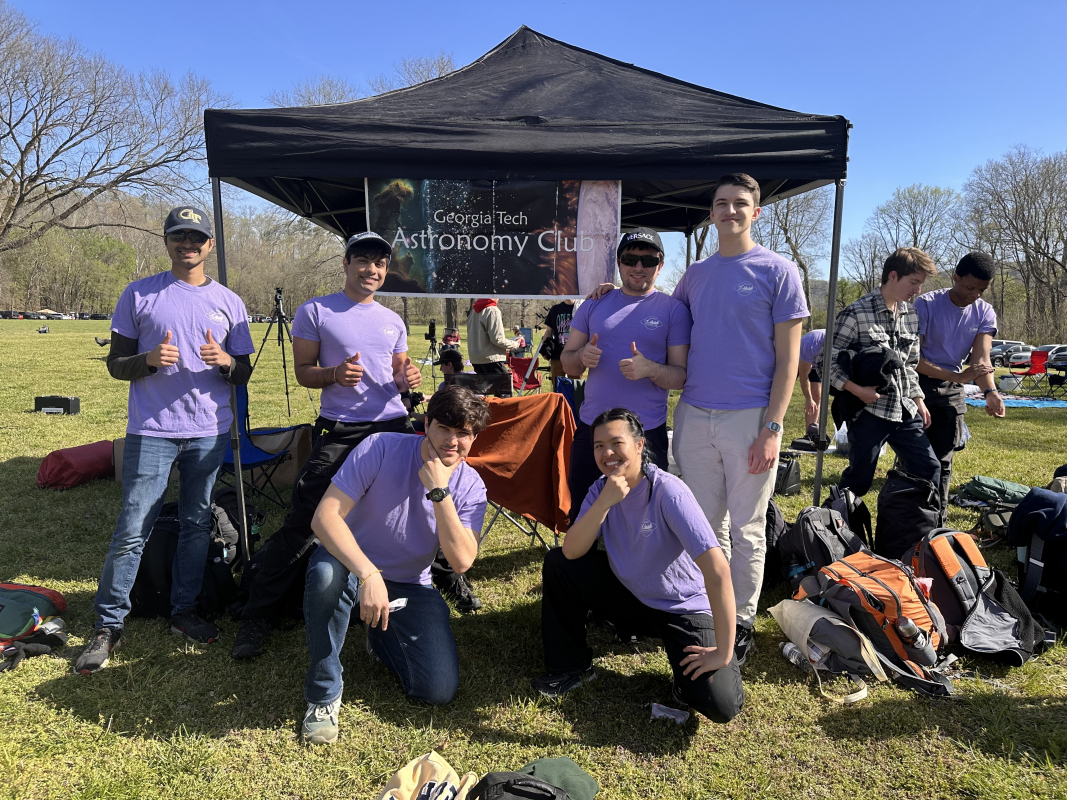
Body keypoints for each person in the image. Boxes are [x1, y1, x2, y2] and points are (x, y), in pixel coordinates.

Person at [74, 206, 255, 675]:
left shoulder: (230, 302)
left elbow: (244, 372)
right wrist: (149, 359)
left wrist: (226, 363)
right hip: (151, 431)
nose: (188, 244)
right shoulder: (139, 294)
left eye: (196, 237)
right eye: (179, 236)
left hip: (209, 432)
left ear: (209, 246)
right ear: (167, 242)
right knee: (133, 527)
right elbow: (117, 365)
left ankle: (184, 611)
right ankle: (108, 625)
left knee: (197, 523)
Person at [231, 231, 425, 659]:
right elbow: (304, 371)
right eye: (362, 260)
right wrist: (334, 374)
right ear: (345, 263)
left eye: (379, 263)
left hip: (392, 427)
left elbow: (398, 374)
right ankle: (256, 615)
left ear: (386, 270)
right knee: (307, 520)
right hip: (340, 429)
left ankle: (423, 592)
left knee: (407, 511)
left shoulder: (392, 320)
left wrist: (408, 380)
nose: (370, 269)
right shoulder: (315, 310)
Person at [670, 174, 808, 666]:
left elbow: (789, 361)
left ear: (756, 212)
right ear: (711, 213)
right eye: (722, 204)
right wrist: (611, 291)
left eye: (740, 204)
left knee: (747, 527)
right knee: (705, 525)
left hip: (750, 418)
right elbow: (665, 316)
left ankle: (742, 622)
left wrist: (773, 427)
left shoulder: (779, 271)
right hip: (693, 415)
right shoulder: (695, 275)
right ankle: (711, 611)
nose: (730, 211)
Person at [301, 386, 490, 743]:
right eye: (444, 429)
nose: (452, 441)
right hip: (350, 565)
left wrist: (439, 492)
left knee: (436, 691)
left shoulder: (472, 487)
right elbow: (324, 518)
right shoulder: (382, 447)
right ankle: (323, 692)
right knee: (326, 574)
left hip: (408, 585)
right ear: (426, 424)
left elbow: (462, 561)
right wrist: (368, 573)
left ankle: (378, 632)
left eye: (463, 433)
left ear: (474, 437)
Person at [535, 408, 743, 723]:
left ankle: (685, 680)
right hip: (631, 596)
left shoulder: (668, 491)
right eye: (598, 445)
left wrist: (723, 652)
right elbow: (571, 551)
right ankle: (571, 667)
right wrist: (604, 502)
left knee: (721, 704)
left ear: (639, 446)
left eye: (616, 443)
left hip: (681, 609)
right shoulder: (599, 490)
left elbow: (718, 571)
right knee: (558, 564)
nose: (607, 453)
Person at [562, 228, 691, 524]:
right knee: (583, 512)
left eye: (648, 260)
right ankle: (582, 568)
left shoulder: (674, 311)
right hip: (592, 429)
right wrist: (581, 357)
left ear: (660, 265)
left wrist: (650, 369)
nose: (638, 267)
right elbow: (568, 365)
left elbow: (680, 377)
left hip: (645, 433)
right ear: (619, 263)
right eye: (630, 259)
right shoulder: (593, 304)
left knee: (644, 519)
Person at [830, 247, 941, 499]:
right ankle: (830, 529)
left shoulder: (911, 315)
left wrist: (918, 399)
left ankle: (919, 530)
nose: (918, 290)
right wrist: (857, 390)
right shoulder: (856, 313)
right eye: (914, 282)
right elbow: (826, 363)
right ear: (893, 276)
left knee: (929, 469)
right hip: (869, 412)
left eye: (920, 284)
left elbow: (910, 364)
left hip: (905, 410)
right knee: (858, 481)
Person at [915, 252, 1004, 521]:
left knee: (943, 460)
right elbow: (913, 359)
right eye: (969, 287)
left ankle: (936, 521)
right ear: (955, 277)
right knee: (916, 458)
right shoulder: (926, 304)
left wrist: (990, 392)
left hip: (952, 388)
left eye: (982, 289)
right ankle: (910, 516)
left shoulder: (984, 312)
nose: (975, 294)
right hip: (918, 385)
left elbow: (981, 361)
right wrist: (960, 378)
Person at [466, 298, 517, 373]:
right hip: (491, 359)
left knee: (483, 384)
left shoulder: (474, 311)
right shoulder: (492, 310)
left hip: (476, 359)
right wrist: (515, 344)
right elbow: (497, 339)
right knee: (504, 384)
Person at [798, 329, 826, 438]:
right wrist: (808, 399)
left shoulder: (841, 342)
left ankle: (811, 434)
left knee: (817, 397)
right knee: (783, 392)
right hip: (798, 359)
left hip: (816, 364)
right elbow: (804, 376)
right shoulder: (812, 343)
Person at [543, 298, 576, 382]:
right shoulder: (555, 309)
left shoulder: (580, 308)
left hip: (576, 355)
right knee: (557, 387)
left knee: (576, 388)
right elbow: (548, 331)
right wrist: (544, 348)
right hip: (557, 355)